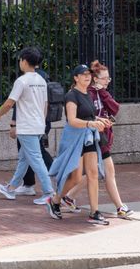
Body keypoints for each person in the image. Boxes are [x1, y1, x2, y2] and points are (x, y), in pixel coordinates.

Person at [0, 46, 62, 219]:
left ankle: (49, 193)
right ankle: (10, 188)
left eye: (20, 60)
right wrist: (41, 122)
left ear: (24, 61)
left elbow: (10, 102)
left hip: (26, 127)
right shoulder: (41, 80)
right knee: (24, 158)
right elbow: (45, 105)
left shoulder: (22, 81)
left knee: (36, 160)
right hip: (38, 126)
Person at [68, 60, 134, 219]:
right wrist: (99, 120)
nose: (107, 81)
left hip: (102, 137)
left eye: (108, 79)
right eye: (104, 79)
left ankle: (67, 196)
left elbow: (115, 108)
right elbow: (84, 115)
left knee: (96, 173)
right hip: (93, 138)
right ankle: (120, 207)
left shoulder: (101, 92)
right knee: (106, 172)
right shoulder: (87, 93)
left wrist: (103, 92)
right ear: (95, 79)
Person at [49, 64, 111, 225]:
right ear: (76, 78)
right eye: (83, 74)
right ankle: (55, 200)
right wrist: (91, 124)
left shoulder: (87, 94)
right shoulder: (71, 95)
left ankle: (94, 212)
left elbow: (89, 115)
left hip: (88, 138)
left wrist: (99, 120)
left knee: (93, 174)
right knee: (75, 177)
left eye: (88, 74)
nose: (87, 76)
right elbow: (72, 120)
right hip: (75, 139)